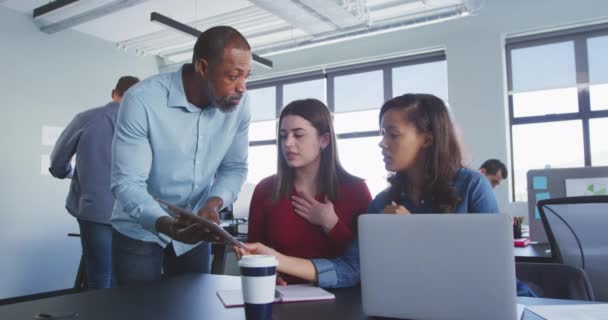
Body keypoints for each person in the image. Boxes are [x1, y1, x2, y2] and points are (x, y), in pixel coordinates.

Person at [239, 93, 536, 297]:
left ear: (427, 138)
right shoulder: (382, 203)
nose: (381, 144)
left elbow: (490, 270)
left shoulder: (472, 186)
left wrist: (413, 232)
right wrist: (275, 259)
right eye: (381, 133)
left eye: (392, 135)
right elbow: (354, 268)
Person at [110, 26, 252, 286]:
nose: (242, 87)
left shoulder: (239, 106)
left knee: (192, 308)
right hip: (139, 230)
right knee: (137, 310)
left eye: (246, 76)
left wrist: (213, 204)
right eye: (233, 76)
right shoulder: (141, 100)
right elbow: (127, 183)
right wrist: (167, 225)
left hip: (195, 231)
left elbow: (234, 167)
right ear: (202, 67)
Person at [247, 99, 372, 284]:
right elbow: (253, 252)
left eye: (298, 135)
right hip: (283, 298)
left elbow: (365, 262)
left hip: (343, 299)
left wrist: (331, 225)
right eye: (283, 135)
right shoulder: (265, 190)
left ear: (324, 140)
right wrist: (266, 275)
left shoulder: (356, 191)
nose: (288, 143)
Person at [49, 76, 140, 289]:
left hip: (96, 210)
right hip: (134, 213)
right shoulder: (146, 123)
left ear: (113, 93)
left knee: (99, 276)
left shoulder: (88, 118)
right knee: (127, 279)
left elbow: (58, 162)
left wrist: (69, 173)